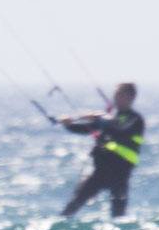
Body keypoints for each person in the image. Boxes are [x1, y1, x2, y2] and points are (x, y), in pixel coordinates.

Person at [59, 82, 145, 218]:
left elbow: (118, 127)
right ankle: (61, 224)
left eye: (120, 94)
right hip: (101, 170)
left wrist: (99, 117)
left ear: (131, 97)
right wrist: (68, 125)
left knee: (118, 213)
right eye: (116, 94)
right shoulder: (110, 118)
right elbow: (87, 128)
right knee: (75, 203)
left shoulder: (135, 119)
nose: (116, 98)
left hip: (120, 171)